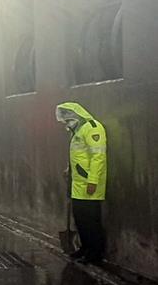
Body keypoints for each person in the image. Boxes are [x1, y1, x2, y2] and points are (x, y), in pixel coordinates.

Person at [55, 102, 107, 265]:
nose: (66, 122)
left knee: (91, 221)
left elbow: (98, 157)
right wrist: (69, 170)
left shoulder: (93, 128)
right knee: (80, 220)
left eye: (67, 118)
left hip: (89, 184)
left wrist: (92, 181)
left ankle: (95, 254)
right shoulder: (76, 131)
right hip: (77, 183)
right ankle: (84, 248)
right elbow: (79, 156)